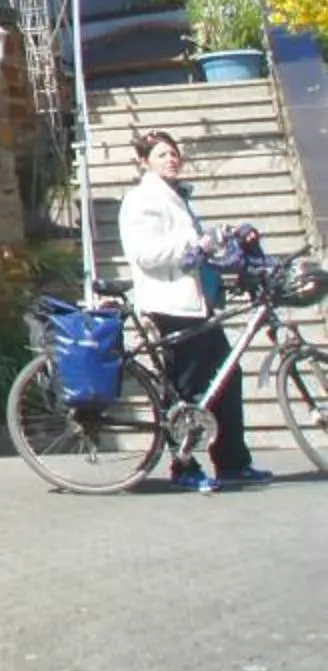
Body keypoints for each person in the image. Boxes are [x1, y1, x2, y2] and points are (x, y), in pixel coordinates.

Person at [117, 130, 270, 491]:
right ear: (144, 162)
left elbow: (197, 251)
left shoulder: (177, 196)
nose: (171, 159)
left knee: (227, 378)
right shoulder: (141, 200)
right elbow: (144, 254)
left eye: (173, 153)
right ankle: (183, 466)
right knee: (184, 388)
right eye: (161, 155)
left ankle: (232, 462)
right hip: (170, 304)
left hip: (198, 304)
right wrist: (195, 244)